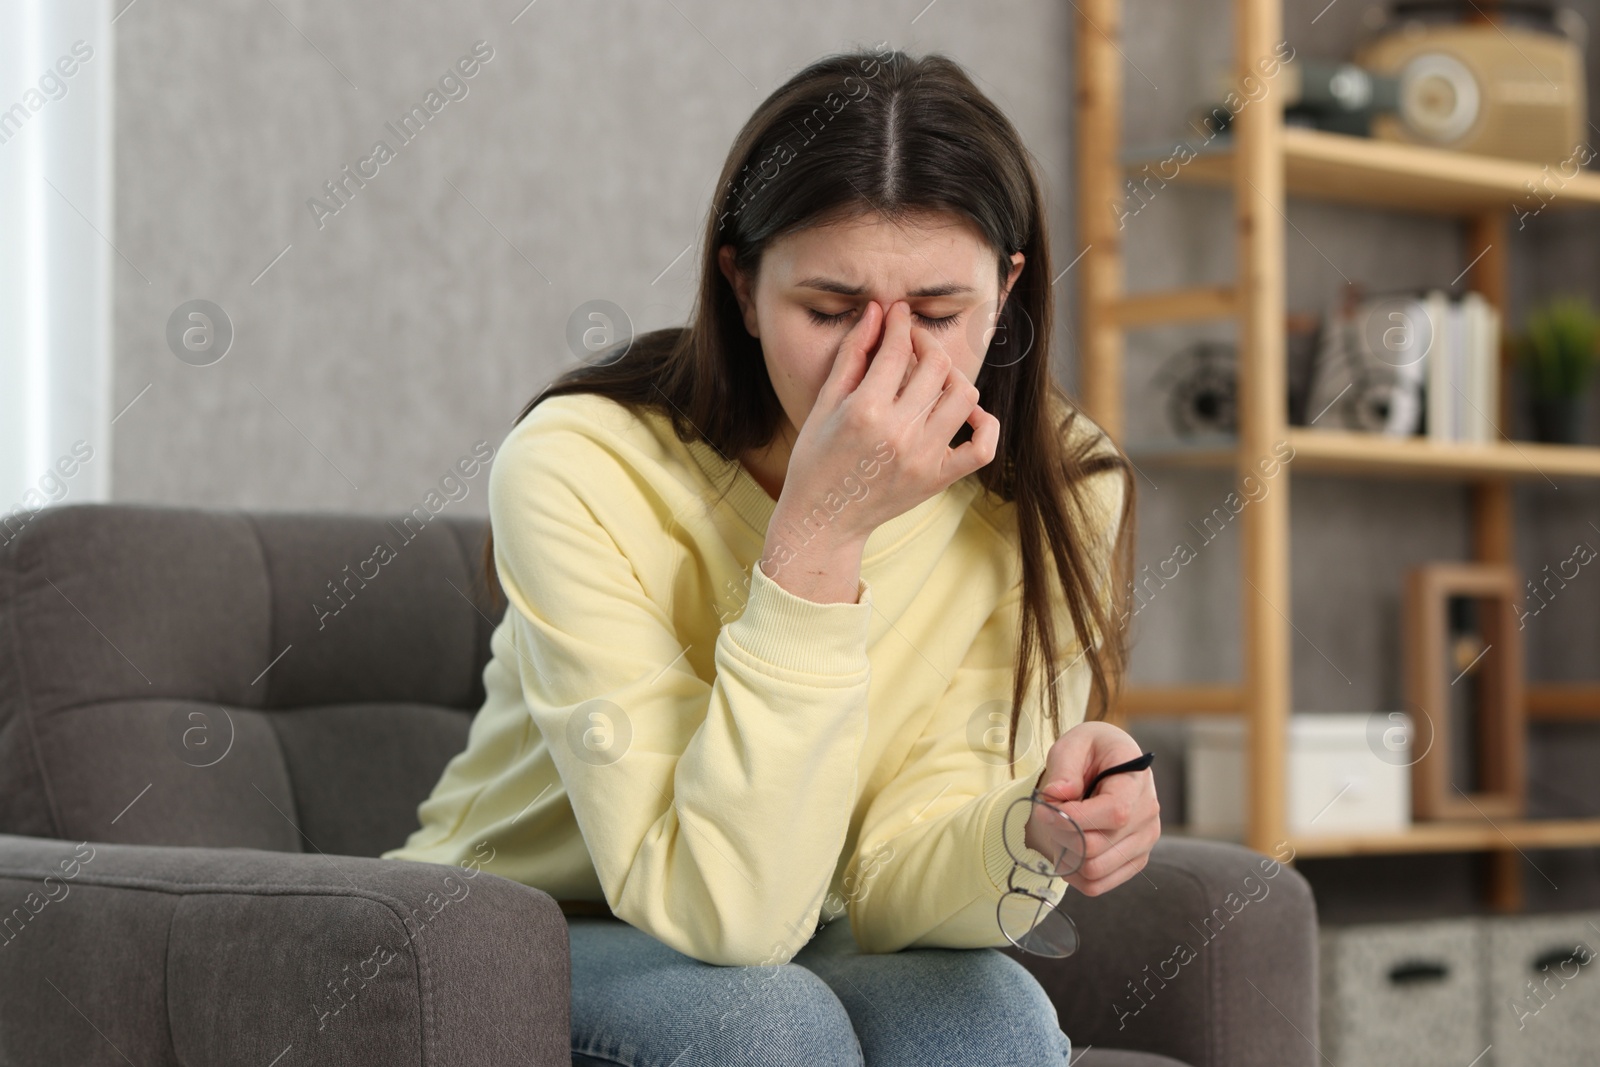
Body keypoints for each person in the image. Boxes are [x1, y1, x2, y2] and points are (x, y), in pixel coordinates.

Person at [383, 44, 1160, 1067]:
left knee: (990, 1018)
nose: (882, 364)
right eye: (829, 312)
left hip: (802, 915)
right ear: (742, 287)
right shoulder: (578, 462)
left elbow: (888, 876)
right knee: (758, 1023)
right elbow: (726, 916)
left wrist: (1029, 827)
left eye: (937, 313)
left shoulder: (1059, 485)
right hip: (521, 918)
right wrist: (818, 539)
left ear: (1008, 293)